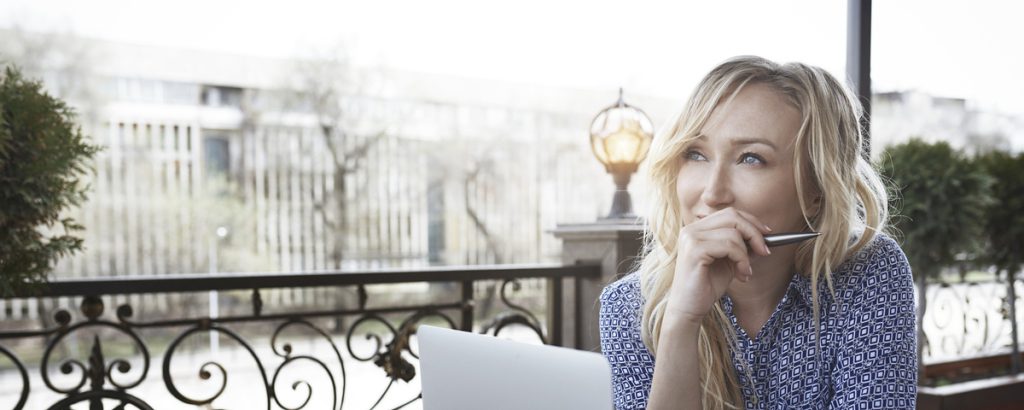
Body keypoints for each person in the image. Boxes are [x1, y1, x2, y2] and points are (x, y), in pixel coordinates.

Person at [598, 56, 917, 409]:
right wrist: (681, 323)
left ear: (815, 191)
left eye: (751, 158)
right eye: (696, 154)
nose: (712, 193)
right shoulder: (629, 306)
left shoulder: (869, 270)